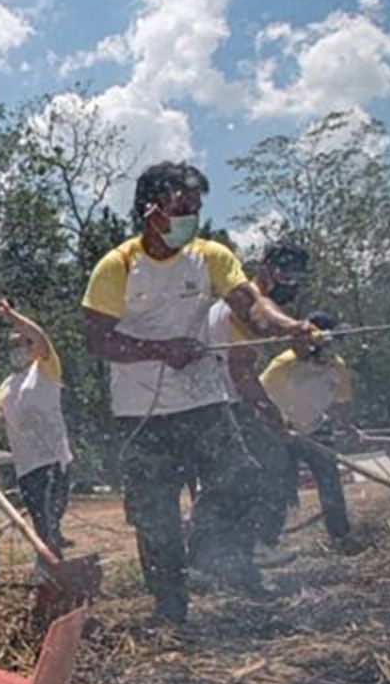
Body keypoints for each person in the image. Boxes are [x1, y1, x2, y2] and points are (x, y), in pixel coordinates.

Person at [82, 162, 311, 625]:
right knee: (155, 516)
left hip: (203, 400)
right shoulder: (118, 266)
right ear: (151, 211)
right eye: (181, 209)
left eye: (196, 209)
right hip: (141, 413)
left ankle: (216, 553)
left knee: (243, 476)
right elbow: (97, 341)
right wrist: (159, 349)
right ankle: (171, 607)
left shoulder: (211, 256)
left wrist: (290, 328)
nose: (191, 218)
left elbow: (252, 306)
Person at [205, 242, 311, 559]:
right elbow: (242, 374)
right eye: (286, 274)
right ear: (266, 269)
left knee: (232, 481)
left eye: (298, 277)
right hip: (228, 404)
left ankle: (224, 554)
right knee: (267, 470)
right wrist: (271, 415)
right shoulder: (247, 307)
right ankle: (254, 548)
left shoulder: (253, 303)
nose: (291, 284)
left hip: (221, 401)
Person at [260, 311, 363, 553]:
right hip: (280, 433)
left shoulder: (337, 367)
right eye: (330, 343)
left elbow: (341, 403)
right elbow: (259, 397)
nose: (334, 349)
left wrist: (349, 428)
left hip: (316, 429)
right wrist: (278, 424)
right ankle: (267, 542)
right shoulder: (284, 364)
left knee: (331, 485)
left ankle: (341, 536)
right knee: (279, 488)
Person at [0, 298, 73, 558]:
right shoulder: (5, 385)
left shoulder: (45, 367)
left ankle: (53, 565)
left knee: (49, 517)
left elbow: (41, 337)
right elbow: (1, 423)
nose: (16, 350)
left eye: (21, 343)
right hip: (25, 466)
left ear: (32, 347)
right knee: (41, 520)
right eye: (12, 346)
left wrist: (11, 316)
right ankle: (50, 562)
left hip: (52, 460)